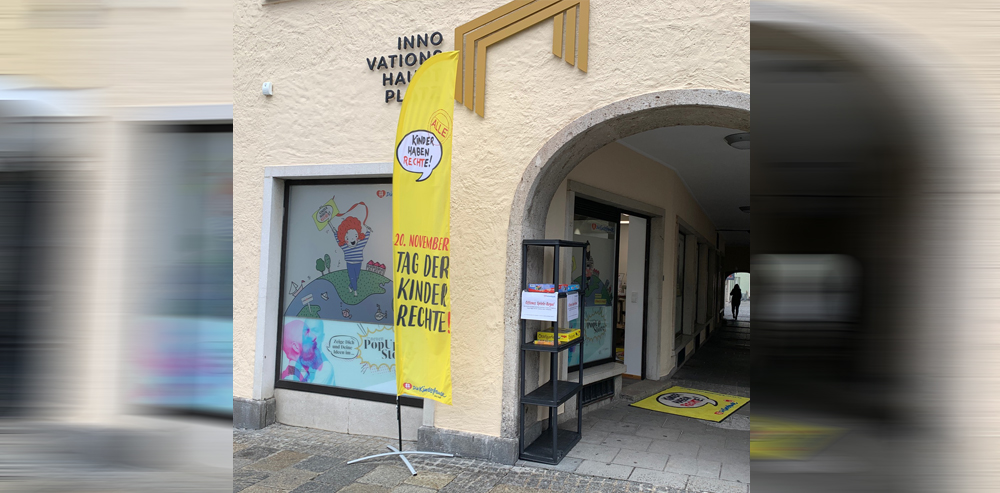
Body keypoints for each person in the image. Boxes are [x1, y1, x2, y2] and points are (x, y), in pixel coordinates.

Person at [333, 216, 372, 296]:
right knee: (352, 277)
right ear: (344, 238)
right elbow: (337, 238)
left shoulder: (360, 244)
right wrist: (333, 230)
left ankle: (350, 286)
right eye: (348, 238)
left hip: (358, 263)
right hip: (350, 263)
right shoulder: (344, 246)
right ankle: (355, 290)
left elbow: (366, 238)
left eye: (355, 236)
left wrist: (368, 230)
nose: (352, 240)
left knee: (356, 277)